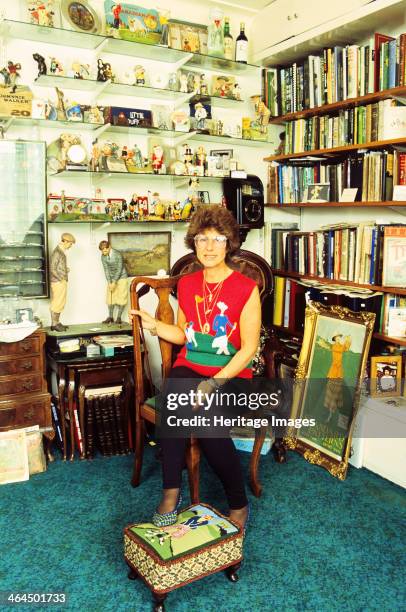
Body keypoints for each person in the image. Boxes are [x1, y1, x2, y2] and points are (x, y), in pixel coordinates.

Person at [130, 205, 261, 530]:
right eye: (202, 239)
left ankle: (238, 502)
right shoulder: (187, 285)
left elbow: (248, 349)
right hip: (191, 366)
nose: (210, 246)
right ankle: (171, 492)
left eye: (218, 239)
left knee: (207, 421)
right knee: (176, 400)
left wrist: (214, 383)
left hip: (232, 374)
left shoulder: (246, 289)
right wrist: (155, 325)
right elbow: (185, 335)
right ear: (194, 243)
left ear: (229, 243)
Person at [50, 232, 76, 332]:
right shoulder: (57, 252)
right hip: (58, 282)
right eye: (70, 244)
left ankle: (57, 322)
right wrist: (61, 278)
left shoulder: (60, 251)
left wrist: (65, 269)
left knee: (60, 302)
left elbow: (57, 267)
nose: (70, 246)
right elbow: (52, 268)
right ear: (65, 241)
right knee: (57, 303)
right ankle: (54, 323)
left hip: (60, 280)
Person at [323, 333, 352, 423]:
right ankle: (330, 414)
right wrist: (347, 340)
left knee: (337, 393)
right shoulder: (335, 347)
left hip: (338, 372)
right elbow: (343, 349)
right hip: (334, 372)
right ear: (335, 339)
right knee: (333, 393)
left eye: (340, 338)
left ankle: (335, 414)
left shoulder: (339, 346)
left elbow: (346, 348)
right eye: (337, 338)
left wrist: (348, 340)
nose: (339, 339)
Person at [98, 240, 128, 324]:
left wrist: (114, 282)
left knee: (122, 298)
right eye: (102, 251)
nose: (104, 252)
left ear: (109, 247)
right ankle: (110, 317)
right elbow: (106, 270)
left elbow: (119, 269)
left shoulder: (117, 254)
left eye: (106, 250)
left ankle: (119, 318)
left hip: (122, 277)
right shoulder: (103, 256)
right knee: (110, 297)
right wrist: (109, 282)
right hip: (111, 279)